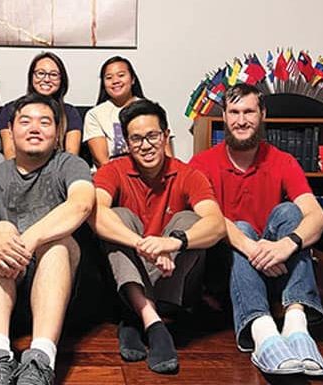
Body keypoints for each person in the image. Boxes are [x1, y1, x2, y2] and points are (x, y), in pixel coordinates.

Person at [189, 83, 323, 376]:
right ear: (225, 117)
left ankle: (296, 325)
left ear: (262, 114)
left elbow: (317, 217)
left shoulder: (283, 160)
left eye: (249, 111)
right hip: (226, 272)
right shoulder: (202, 163)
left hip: (276, 265)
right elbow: (209, 219)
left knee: (291, 212)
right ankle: (262, 331)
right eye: (234, 112)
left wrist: (285, 245)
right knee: (238, 226)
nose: (241, 120)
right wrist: (253, 249)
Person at [0, 94, 95, 385]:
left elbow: (81, 204)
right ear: (10, 130)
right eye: (25, 121)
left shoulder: (70, 164)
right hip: (5, 280)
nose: (35, 128)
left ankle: (40, 360)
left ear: (57, 133)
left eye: (44, 122)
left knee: (56, 242)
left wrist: (29, 241)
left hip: (59, 286)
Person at [88, 99, 225, 374]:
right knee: (118, 216)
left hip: (173, 285)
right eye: (136, 139)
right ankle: (153, 323)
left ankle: (132, 316)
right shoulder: (112, 171)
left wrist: (172, 242)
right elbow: (95, 215)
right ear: (126, 143)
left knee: (189, 221)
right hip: (139, 263)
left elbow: (216, 224)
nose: (146, 145)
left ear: (165, 136)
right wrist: (142, 245)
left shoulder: (188, 174)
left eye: (152, 136)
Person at [0, 52, 83, 159]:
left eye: (54, 75)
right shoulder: (11, 109)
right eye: (41, 73)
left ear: (62, 80)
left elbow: (71, 155)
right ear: (31, 76)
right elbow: (10, 153)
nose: (46, 79)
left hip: (58, 171)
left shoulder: (69, 113)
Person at [83, 56, 145, 167]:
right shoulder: (95, 114)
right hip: (112, 175)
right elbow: (103, 162)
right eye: (109, 77)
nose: (115, 81)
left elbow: (166, 155)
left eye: (121, 75)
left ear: (133, 79)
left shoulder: (151, 110)